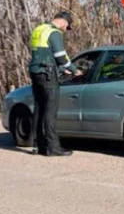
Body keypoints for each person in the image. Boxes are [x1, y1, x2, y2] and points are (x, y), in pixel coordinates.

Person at [27, 11, 83, 157]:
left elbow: (42, 54)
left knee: (39, 109)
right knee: (50, 111)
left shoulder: (39, 29)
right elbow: (60, 57)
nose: (65, 29)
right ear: (63, 22)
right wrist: (74, 70)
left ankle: (38, 146)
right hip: (48, 75)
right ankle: (53, 147)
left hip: (35, 72)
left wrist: (62, 69)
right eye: (67, 26)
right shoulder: (54, 32)